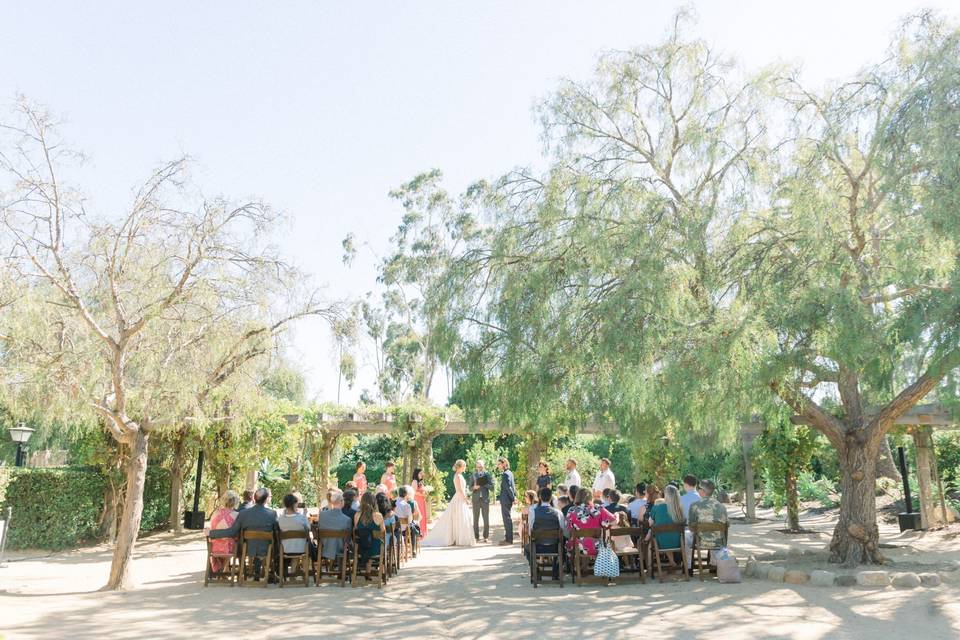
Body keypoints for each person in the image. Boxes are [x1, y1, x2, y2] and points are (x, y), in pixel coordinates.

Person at [208, 487, 278, 562]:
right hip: (267, 550)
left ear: (254, 499)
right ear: (266, 500)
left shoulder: (244, 513)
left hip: (246, 550)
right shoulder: (272, 514)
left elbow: (232, 532)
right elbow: (277, 533)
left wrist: (210, 533)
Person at [421, 460, 475, 547]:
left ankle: (460, 538)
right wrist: (466, 499)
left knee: (461, 518)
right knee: (459, 518)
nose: (465, 468)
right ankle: (460, 539)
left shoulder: (459, 475)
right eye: (464, 466)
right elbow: (460, 490)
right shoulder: (457, 476)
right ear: (460, 467)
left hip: (459, 498)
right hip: (459, 498)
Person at [527, 487, 567, 579]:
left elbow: (530, 531)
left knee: (527, 549)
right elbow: (563, 530)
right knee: (564, 547)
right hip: (555, 547)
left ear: (540, 497)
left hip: (538, 546)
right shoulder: (558, 513)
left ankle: (536, 570)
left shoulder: (533, 511)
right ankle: (555, 571)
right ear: (550, 498)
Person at [687, 480, 729, 565]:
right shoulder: (721, 506)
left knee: (684, 537)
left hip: (700, 542)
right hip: (718, 542)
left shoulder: (694, 505)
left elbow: (691, 527)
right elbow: (727, 525)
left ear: (702, 491)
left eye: (699, 488)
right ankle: (714, 562)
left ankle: (687, 565)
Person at [566, 487, 616, 557]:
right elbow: (613, 520)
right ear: (590, 497)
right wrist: (605, 525)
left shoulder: (571, 510)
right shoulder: (598, 508)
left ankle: (579, 566)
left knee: (568, 544)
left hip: (578, 547)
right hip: (597, 547)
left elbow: (568, 528)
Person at [647, 484, 684, 566]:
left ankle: (649, 568)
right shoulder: (680, 509)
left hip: (661, 542)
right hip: (678, 541)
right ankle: (672, 562)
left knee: (651, 543)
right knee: (667, 535)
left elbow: (650, 523)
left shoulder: (657, 507)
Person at [316, 489, 352, 561]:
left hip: (324, 546)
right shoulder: (347, 519)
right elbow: (348, 539)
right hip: (340, 547)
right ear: (341, 502)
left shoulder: (322, 515)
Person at [208, 491, 240, 572]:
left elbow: (211, 529)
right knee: (236, 541)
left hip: (214, 547)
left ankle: (225, 567)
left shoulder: (215, 514)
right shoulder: (236, 515)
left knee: (228, 540)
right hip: (228, 548)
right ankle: (227, 568)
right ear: (235, 502)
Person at [278, 493, 315, 561]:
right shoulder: (302, 518)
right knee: (308, 541)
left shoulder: (280, 519)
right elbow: (308, 529)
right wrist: (304, 515)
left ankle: (293, 570)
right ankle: (305, 570)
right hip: (301, 548)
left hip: (285, 548)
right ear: (294, 504)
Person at [354, 492, 386, 565]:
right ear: (374, 502)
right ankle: (371, 569)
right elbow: (383, 533)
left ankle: (367, 570)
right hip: (375, 549)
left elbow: (356, 530)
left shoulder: (357, 515)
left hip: (360, 548)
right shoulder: (378, 516)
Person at [470, 459, 493, 543]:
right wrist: (474, 488)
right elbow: (470, 487)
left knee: (486, 519)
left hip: (485, 500)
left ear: (483, 466)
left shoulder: (487, 475)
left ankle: (486, 537)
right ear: (476, 467)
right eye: (478, 466)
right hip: (476, 500)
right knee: (475, 519)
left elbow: (492, 487)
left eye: (481, 466)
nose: (479, 467)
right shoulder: (473, 475)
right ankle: (476, 537)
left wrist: (484, 484)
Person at [496, 457, 517, 545]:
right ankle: (508, 538)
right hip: (507, 499)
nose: (498, 466)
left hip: (506, 500)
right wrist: (514, 496)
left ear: (504, 463)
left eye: (499, 464)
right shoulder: (510, 473)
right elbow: (513, 487)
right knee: (507, 518)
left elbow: (509, 488)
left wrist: (513, 498)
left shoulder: (505, 474)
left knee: (507, 519)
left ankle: (509, 540)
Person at [411, 468, 430, 536]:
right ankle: (419, 533)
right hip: (417, 501)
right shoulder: (415, 481)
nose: (422, 475)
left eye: (422, 473)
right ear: (417, 474)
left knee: (423, 516)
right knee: (419, 516)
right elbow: (413, 492)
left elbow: (422, 490)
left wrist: (426, 492)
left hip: (422, 501)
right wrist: (422, 494)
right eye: (420, 473)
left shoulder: (421, 482)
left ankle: (424, 532)